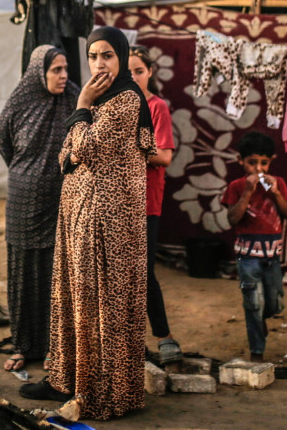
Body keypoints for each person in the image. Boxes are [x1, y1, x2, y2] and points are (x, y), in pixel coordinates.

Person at [20, 27, 156, 420]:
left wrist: (80, 103)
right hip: (81, 217)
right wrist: (82, 122)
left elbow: (84, 148)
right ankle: (67, 377)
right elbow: (66, 157)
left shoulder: (125, 100)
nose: (99, 63)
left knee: (101, 301)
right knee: (74, 298)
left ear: (122, 58)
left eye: (108, 56)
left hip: (106, 225)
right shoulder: (100, 101)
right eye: (94, 56)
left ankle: (101, 388)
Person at [0, 45, 80, 373]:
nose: (63, 76)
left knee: (55, 273)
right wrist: (25, 170)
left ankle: (52, 346)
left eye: (65, 69)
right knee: (21, 271)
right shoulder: (21, 99)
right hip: (22, 197)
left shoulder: (74, 96)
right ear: (39, 72)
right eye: (56, 70)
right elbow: (1, 140)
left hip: (61, 198)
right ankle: (22, 344)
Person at [220, 131, 287, 362]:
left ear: (271, 161)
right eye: (252, 163)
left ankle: (262, 318)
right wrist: (247, 192)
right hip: (247, 257)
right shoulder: (236, 186)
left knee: (273, 303)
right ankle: (256, 352)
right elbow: (232, 219)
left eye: (264, 163)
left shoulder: (279, 184)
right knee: (252, 302)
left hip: (272, 256)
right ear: (240, 161)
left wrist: (275, 194)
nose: (258, 169)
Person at [128, 44, 182, 368]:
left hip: (146, 200)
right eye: (129, 72)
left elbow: (164, 156)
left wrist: (128, 150)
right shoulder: (114, 107)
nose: (134, 77)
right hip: (118, 199)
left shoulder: (156, 106)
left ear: (150, 73)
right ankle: (127, 342)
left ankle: (163, 336)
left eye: (139, 71)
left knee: (143, 271)